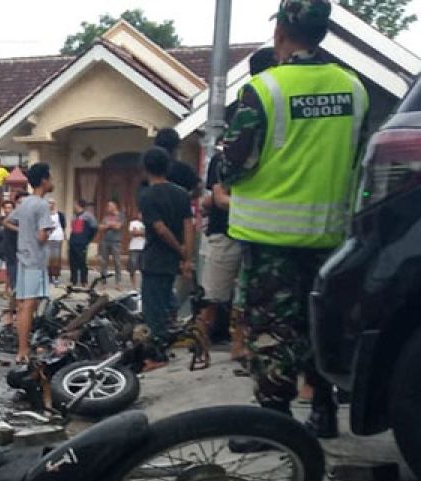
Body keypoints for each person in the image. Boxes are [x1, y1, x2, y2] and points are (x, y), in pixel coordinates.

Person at [223, 0, 369, 440]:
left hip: (272, 239)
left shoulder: (263, 89)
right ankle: (323, 411)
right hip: (331, 235)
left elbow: (237, 163)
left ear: (282, 33)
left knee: (273, 331)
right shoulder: (355, 88)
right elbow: (360, 157)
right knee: (320, 324)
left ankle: (274, 425)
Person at [199, 48, 276, 361]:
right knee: (213, 296)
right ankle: (201, 347)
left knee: (244, 297)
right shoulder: (223, 159)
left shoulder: (267, 156)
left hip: (252, 234)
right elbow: (217, 199)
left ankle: (238, 347)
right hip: (227, 233)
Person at [139, 147, 194, 369]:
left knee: (153, 309)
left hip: (155, 258)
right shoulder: (182, 193)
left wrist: (179, 251)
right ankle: (173, 334)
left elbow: (160, 229)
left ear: (146, 168)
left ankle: (158, 356)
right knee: (167, 298)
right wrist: (186, 256)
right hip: (172, 260)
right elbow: (189, 226)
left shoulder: (147, 196)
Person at [5, 163, 56, 364]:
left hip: (23, 257)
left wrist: (24, 233)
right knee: (29, 305)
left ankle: (23, 348)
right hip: (35, 259)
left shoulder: (24, 203)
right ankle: (23, 350)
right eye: (50, 178)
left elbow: (7, 221)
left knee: (23, 303)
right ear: (44, 180)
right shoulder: (42, 205)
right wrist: (45, 231)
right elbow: (43, 235)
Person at [0, 199, 17, 304]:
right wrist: (4, 229)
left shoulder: (15, 221)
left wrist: (5, 228)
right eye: (6, 208)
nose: (7, 210)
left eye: (10, 208)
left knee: (9, 272)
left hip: (10, 250)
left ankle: (6, 291)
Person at [67, 199, 97, 287]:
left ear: (79, 205)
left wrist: (87, 239)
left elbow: (94, 228)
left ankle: (84, 281)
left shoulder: (88, 216)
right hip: (73, 241)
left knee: (82, 262)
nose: (74, 206)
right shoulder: (74, 216)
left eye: (75, 204)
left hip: (82, 242)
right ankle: (73, 280)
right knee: (72, 262)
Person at [98, 200, 125, 286]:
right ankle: (103, 282)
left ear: (114, 207)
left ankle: (118, 283)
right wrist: (110, 225)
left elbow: (118, 227)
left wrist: (108, 225)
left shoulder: (120, 216)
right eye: (107, 206)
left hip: (116, 242)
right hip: (105, 241)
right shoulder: (106, 217)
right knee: (103, 262)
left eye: (109, 206)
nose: (107, 208)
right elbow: (100, 227)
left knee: (117, 262)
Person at [46, 198, 66, 285]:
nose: (50, 204)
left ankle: (56, 276)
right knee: (49, 258)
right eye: (48, 203)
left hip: (57, 237)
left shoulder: (60, 214)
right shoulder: (45, 214)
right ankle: (49, 276)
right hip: (48, 238)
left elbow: (63, 225)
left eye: (51, 203)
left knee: (57, 257)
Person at [127, 219, 146, 288]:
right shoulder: (133, 223)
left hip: (144, 247)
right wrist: (141, 232)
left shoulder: (147, 222)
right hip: (133, 247)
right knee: (132, 266)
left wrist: (137, 232)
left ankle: (144, 284)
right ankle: (133, 285)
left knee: (144, 267)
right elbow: (132, 233)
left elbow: (147, 233)